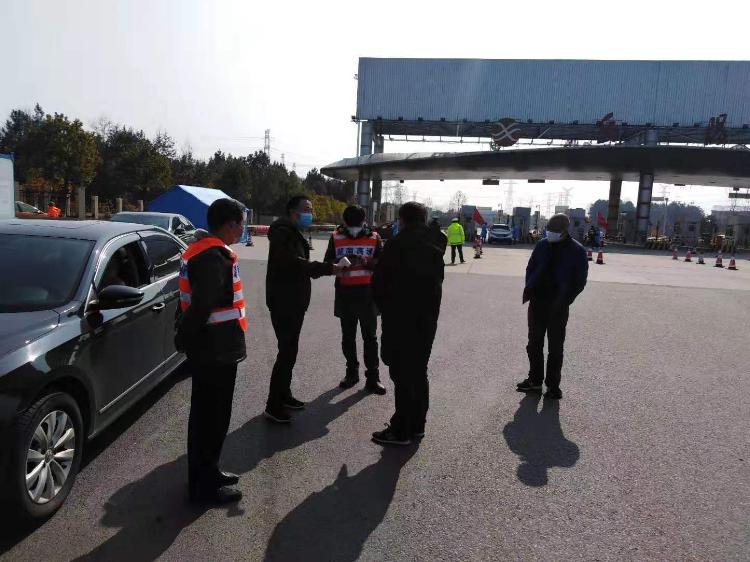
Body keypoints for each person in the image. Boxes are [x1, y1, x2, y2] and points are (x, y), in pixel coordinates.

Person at [175, 198, 247, 503]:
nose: (242, 229)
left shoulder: (203, 250)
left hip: (214, 348)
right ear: (230, 224)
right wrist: (185, 338)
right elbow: (202, 306)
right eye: (241, 223)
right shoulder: (213, 256)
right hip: (215, 350)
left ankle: (209, 472)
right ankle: (203, 487)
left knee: (210, 417)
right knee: (211, 419)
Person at [265, 195, 348, 423]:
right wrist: (329, 269)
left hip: (293, 300)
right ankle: (273, 405)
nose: (310, 214)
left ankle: (284, 395)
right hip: (284, 301)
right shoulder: (283, 233)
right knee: (286, 352)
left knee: (290, 351)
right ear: (294, 211)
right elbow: (295, 264)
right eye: (307, 209)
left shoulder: (291, 232)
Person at [371, 202, 445, 445]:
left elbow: (380, 284)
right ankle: (417, 425)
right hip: (426, 320)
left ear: (402, 220)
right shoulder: (436, 244)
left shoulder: (397, 244)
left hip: (400, 320)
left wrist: (384, 307)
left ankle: (400, 430)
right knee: (418, 372)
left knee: (402, 375)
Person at [517, 213, 588, 400]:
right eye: (549, 230)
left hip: (558, 306)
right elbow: (531, 268)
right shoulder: (542, 245)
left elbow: (580, 282)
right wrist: (530, 287)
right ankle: (534, 381)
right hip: (537, 302)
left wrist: (565, 300)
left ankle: (553, 386)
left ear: (564, 231)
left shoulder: (577, 251)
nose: (550, 233)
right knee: (534, 344)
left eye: (554, 231)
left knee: (555, 348)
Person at [324, 205, 386, 394]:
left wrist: (367, 262)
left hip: (368, 294)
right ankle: (352, 373)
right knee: (348, 337)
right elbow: (328, 262)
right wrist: (339, 263)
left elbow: (382, 263)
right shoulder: (336, 237)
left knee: (370, 338)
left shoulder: (374, 237)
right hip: (345, 293)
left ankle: (373, 377)